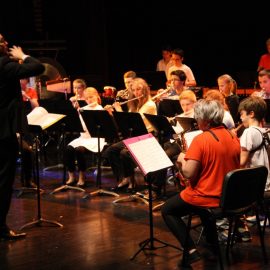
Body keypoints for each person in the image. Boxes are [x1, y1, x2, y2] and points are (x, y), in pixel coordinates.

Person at [161, 99, 240, 266]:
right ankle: (212, 242)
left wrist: (181, 158)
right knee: (203, 211)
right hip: (228, 197)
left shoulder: (201, 139)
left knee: (168, 209)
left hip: (207, 196)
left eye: (198, 117)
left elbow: (189, 173)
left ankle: (190, 251)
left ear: (206, 120)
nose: (196, 120)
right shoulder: (232, 136)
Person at [0, 33, 45, 240]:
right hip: (3, 133)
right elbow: (38, 67)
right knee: (4, 180)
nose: (6, 43)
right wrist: (23, 55)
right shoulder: (4, 64)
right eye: (1, 41)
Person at [103, 77, 157, 192]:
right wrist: (111, 113)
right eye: (134, 90)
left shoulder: (149, 105)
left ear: (145, 90)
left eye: (139, 89)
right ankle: (124, 179)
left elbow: (133, 121)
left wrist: (118, 110)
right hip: (135, 137)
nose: (137, 92)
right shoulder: (135, 104)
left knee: (124, 153)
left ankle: (132, 182)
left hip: (146, 137)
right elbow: (124, 124)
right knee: (110, 151)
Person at [238, 96, 270, 234]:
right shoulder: (265, 131)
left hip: (255, 185)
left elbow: (241, 162)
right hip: (266, 181)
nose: (241, 118)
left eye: (242, 114)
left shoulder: (248, 132)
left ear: (251, 114)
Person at [65, 87, 105, 187]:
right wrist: (78, 112)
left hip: (95, 138)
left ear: (97, 96)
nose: (89, 100)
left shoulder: (101, 109)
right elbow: (81, 127)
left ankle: (82, 175)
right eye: (87, 98)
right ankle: (71, 175)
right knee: (68, 149)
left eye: (91, 97)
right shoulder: (83, 109)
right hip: (83, 138)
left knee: (79, 150)